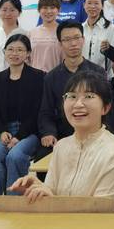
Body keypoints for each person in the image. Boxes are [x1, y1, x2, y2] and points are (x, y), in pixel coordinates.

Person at [9, 71, 114, 211]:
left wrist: (55, 201)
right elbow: (52, 192)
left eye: (88, 96)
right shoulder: (61, 146)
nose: (78, 104)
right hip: (61, 222)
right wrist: (39, 188)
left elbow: (101, 211)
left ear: (105, 108)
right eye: (72, 96)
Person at [0, 34, 44, 211]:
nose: (14, 53)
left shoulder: (38, 78)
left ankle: (15, 207)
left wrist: (19, 136)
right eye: (10, 49)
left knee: (15, 156)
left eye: (20, 50)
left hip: (29, 132)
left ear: (28, 53)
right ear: (4, 52)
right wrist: (1, 131)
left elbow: (37, 112)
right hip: (4, 132)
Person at [37, 22, 105, 156]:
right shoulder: (51, 77)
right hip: (61, 134)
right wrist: (49, 133)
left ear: (83, 40)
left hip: (91, 132)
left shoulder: (98, 73)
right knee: (42, 155)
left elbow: (104, 107)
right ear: (60, 44)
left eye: (76, 38)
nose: (73, 43)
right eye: (67, 40)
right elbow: (46, 111)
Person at [82, 0, 114, 75]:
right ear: (84, 5)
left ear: (102, 6)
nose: (92, 6)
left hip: (103, 76)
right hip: (83, 75)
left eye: (96, 3)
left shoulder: (111, 28)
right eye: (89, 3)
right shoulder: (81, 28)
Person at [28, 0, 62, 73]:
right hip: (34, 77)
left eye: (52, 8)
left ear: (59, 10)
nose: (48, 11)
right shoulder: (31, 33)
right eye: (45, 8)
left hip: (56, 77)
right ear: (39, 10)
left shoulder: (63, 32)